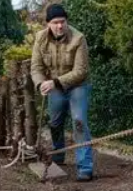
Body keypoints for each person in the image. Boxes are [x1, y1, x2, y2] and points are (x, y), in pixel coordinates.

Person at [30, 3, 93, 181]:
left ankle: (85, 167)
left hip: (78, 85)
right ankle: (58, 155)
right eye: (56, 22)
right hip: (54, 87)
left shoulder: (79, 38)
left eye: (63, 21)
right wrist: (40, 83)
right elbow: (36, 67)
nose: (60, 26)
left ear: (67, 21)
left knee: (79, 121)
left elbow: (81, 71)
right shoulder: (40, 38)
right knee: (55, 123)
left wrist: (55, 82)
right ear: (48, 23)